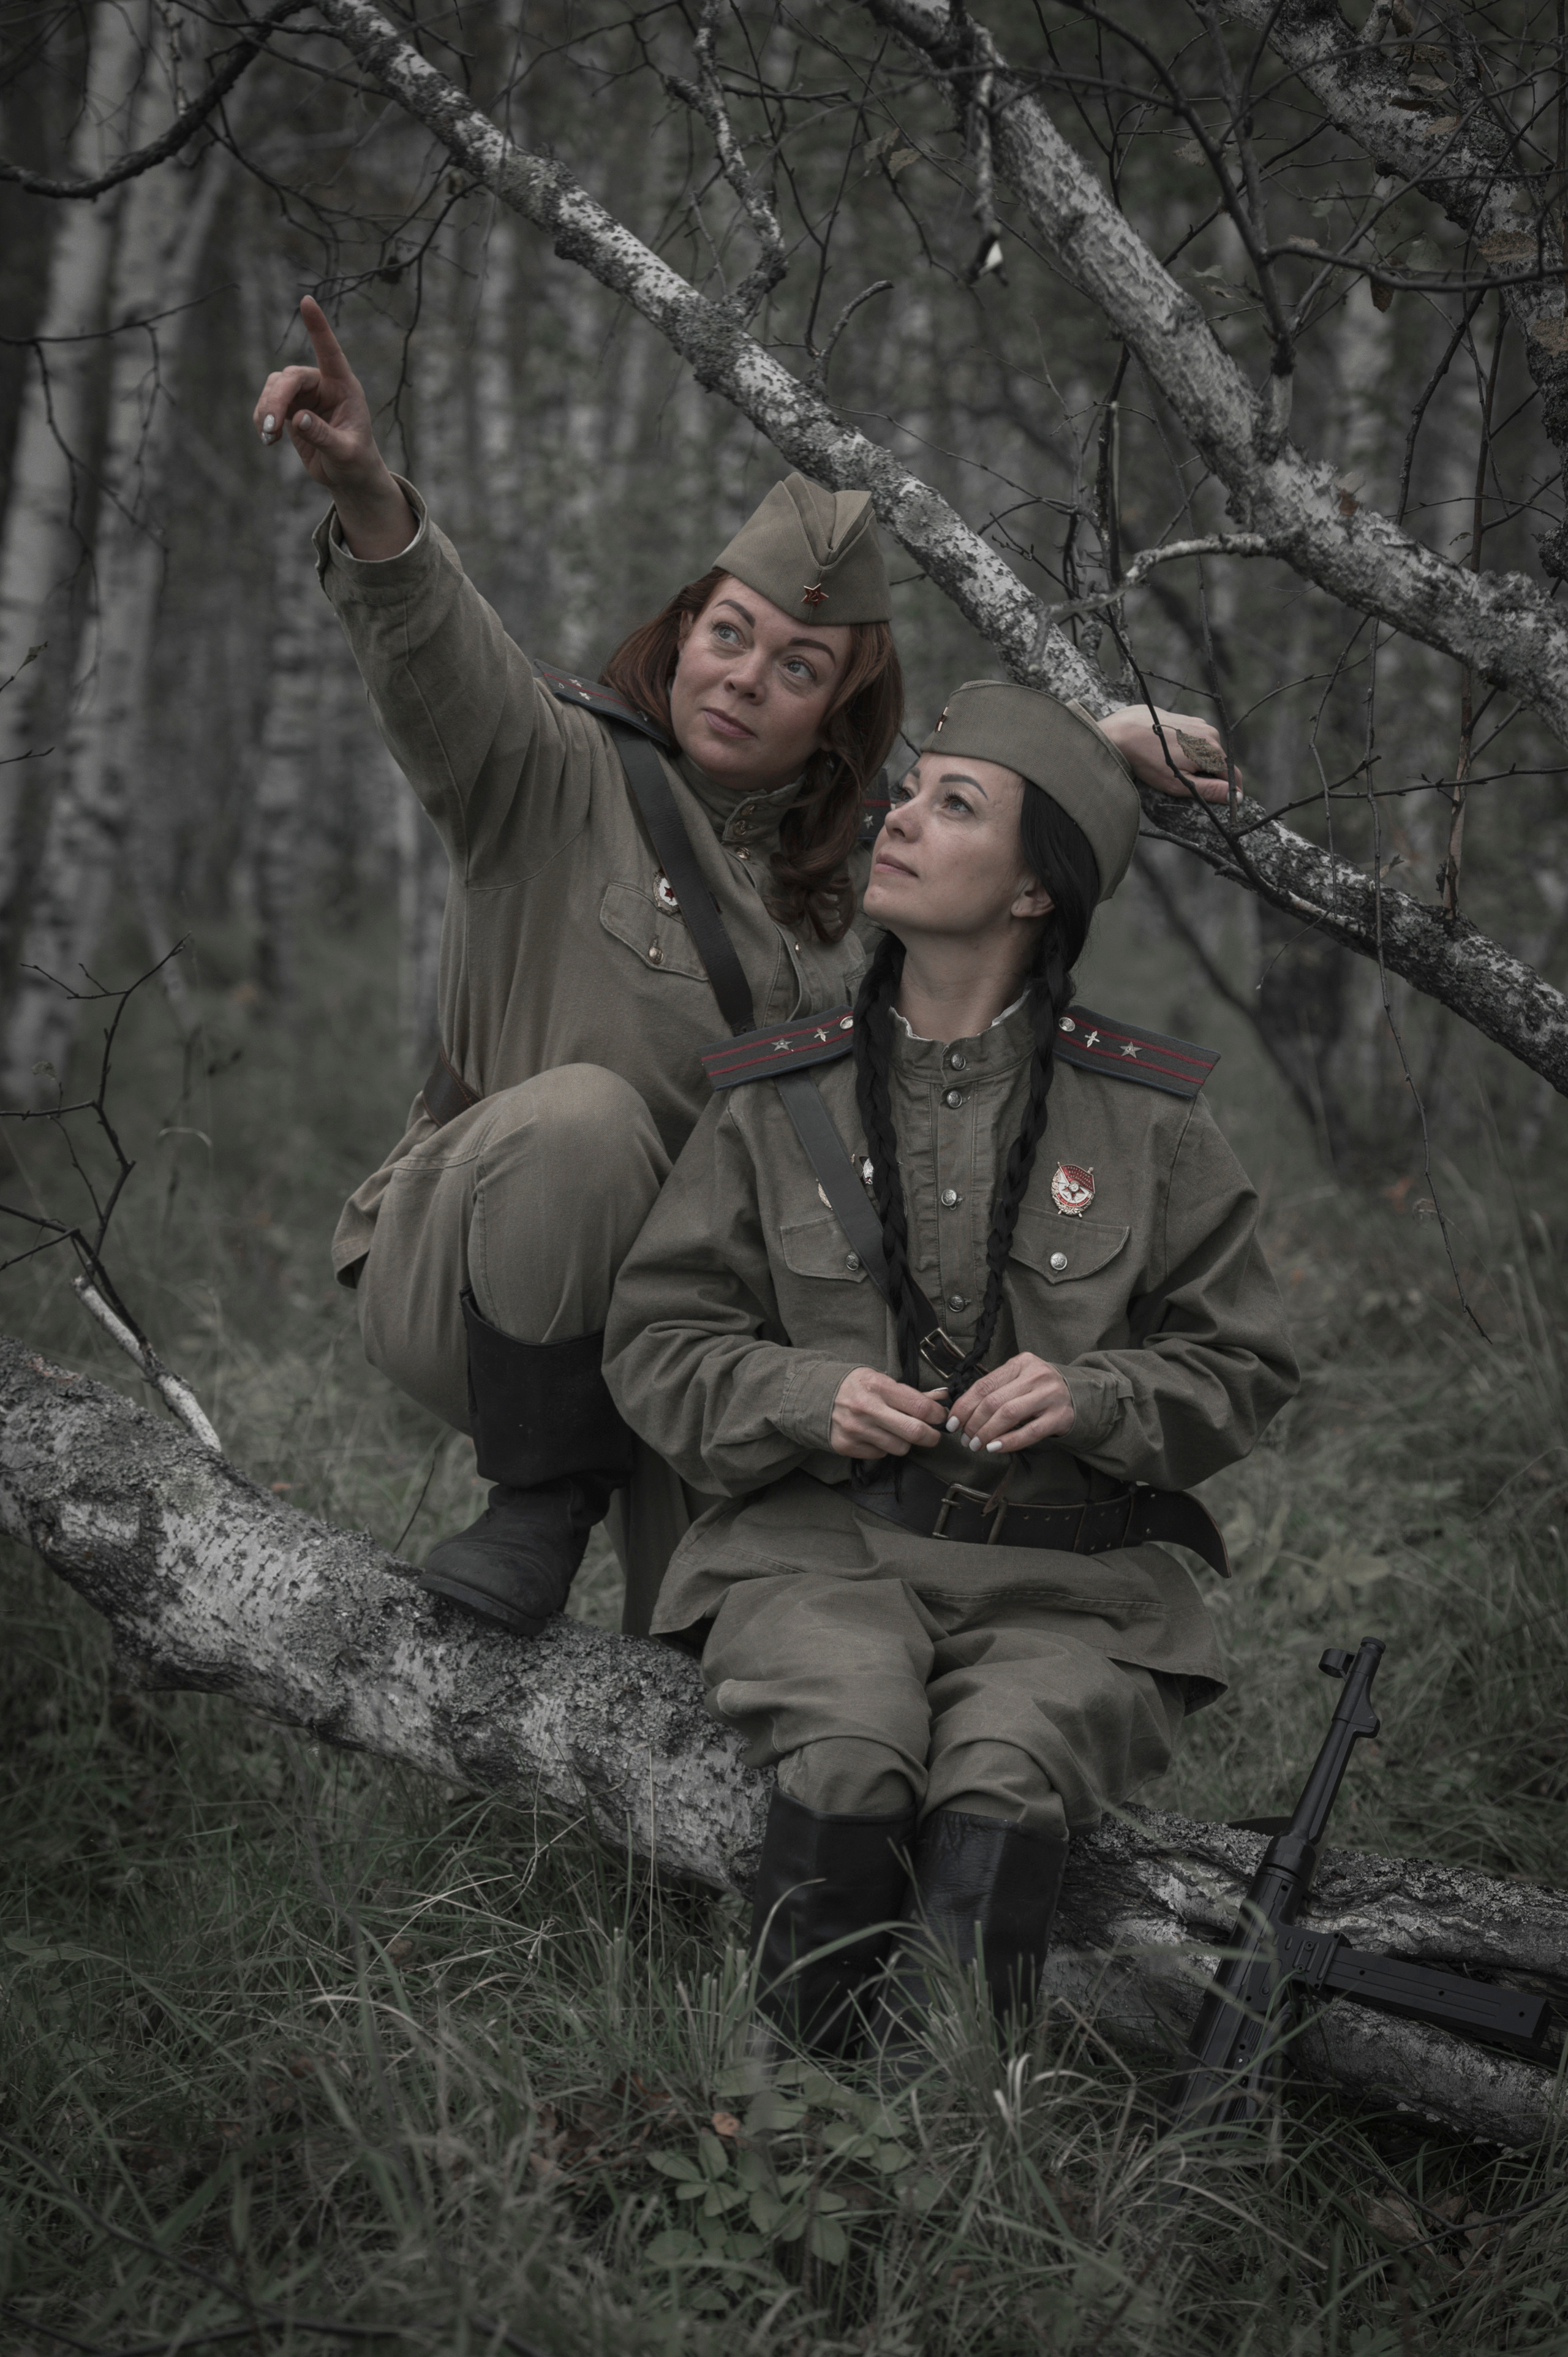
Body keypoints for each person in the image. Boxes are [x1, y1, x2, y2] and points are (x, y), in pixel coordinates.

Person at [251, 296, 1240, 1644]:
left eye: (796, 667)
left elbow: (971, 829)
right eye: (728, 635)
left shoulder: (856, 881)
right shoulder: (543, 770)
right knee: (588, 1122)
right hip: (480, 1270)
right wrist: (369, 490)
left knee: (724, 1653)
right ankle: (541, 1503)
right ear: (682, 629)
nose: (743, 678)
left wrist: (1086, 740)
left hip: (701, 1321)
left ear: (837, 713)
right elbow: (431, 638)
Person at [602, 681, 1298, 2055]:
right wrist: (807, 1395)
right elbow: (659, 1338)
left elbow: (1242, 1363)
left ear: (1034, 893)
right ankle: (790, 2131)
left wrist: (1096, 1394)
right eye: (908, 792)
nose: (901, 819)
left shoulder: (1147, 1113)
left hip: (1067, 1584)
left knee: (995, 1776)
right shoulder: (779, 1093)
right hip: (820, 1554)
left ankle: (958, 2150)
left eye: (952, 805)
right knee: (853, 1746)